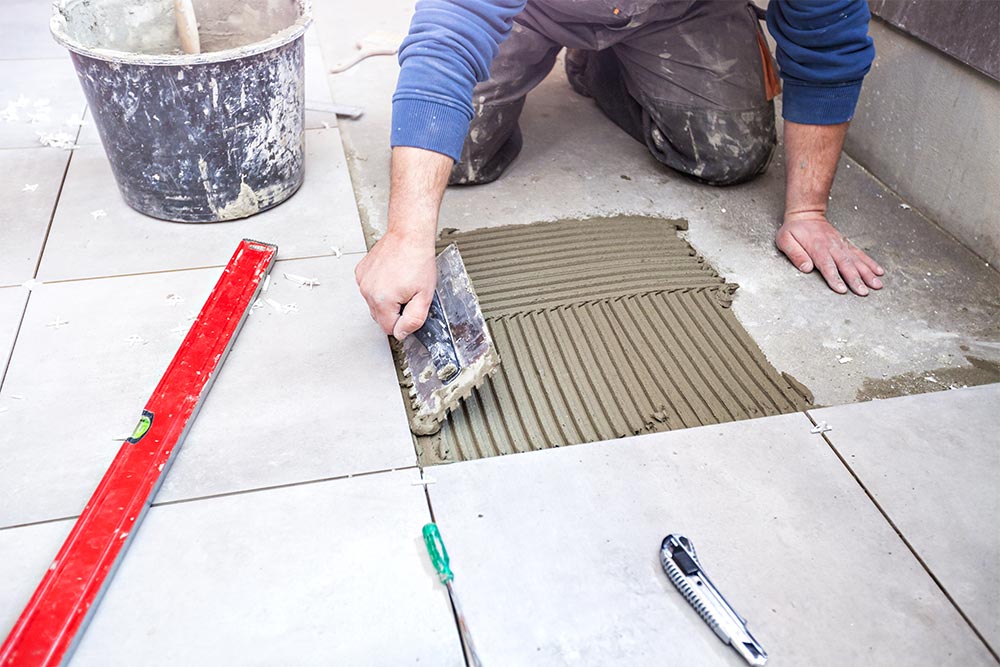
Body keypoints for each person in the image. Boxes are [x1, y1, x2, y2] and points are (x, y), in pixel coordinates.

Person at [356, 0, 885, 341]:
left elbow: (827, 37)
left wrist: (807, 210)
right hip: (538, 8)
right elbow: (451, 33)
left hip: (680, 10)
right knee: (460, 155)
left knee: (730, 155)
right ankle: (576, 42)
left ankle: (608, 63)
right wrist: (407, 233)